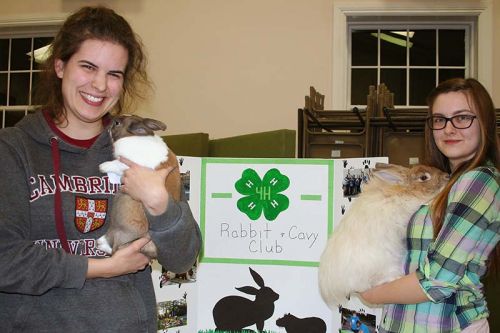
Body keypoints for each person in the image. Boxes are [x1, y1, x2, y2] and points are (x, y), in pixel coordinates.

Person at [0, 6, 201, 332]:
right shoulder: (13, 150)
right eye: (88, 67)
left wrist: (159, 203)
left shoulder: (144, 150)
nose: (99, 85)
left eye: (114, 74)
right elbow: (5, 260)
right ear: (60, 66)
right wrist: (99, 268)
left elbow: (183, 259)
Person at [360, 78, 499, 332]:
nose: (449, 129)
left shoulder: (478, 181)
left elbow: (437, 281)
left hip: (446, 324)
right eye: (439, 120)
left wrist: (371, 295)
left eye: (462, 117)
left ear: (484, 123)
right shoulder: (446, 184)